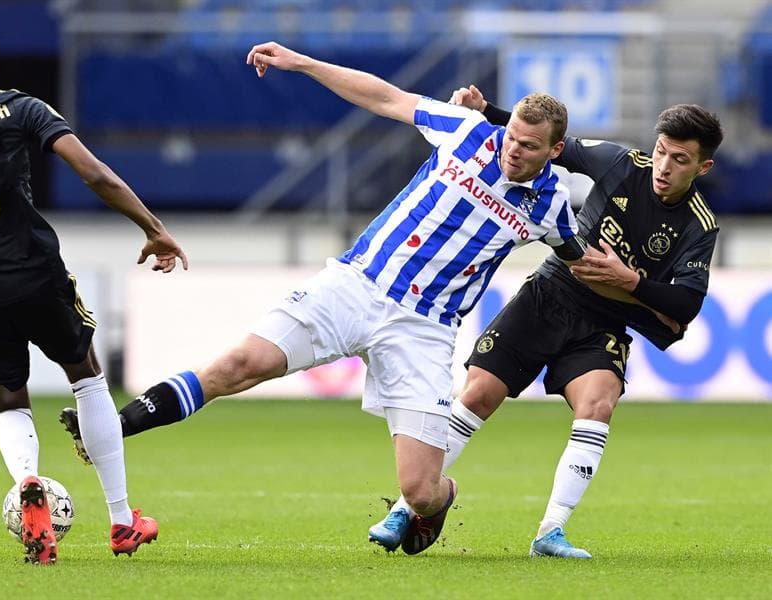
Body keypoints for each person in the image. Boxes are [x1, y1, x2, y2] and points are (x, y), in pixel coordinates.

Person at [62, 41, 588, 553]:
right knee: (241, 363)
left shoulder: (552, 205)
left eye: (528, 147)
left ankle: (440, 501)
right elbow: (385, 97)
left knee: (419, 491)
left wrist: (643, 290)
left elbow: (578, 256)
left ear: (554, 151)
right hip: (354, 285)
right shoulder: (470, 131)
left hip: (424, 328)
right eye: (512, 138)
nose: (513, 151)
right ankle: (114, 424)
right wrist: (301, 63)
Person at [0, 13, 188, 565]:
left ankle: (28, 483)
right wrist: (152, 227)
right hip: (38, 274)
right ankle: (121, 521)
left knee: (8, 404)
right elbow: (94, 174)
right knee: (88, 379)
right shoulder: (19, 106)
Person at [370, 84, 724, 558]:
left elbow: (687, 305)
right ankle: (406, 509)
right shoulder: (622, 164)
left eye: (680, 160)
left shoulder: (699, 226)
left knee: (598, 405)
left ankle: (550, 533)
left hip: (605, 321)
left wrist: (630, 281)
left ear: (704, 167)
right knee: (476, 395)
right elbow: (558, 145)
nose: (664, 167)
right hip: (549, 294)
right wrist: (486, 111)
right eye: (661, 151)